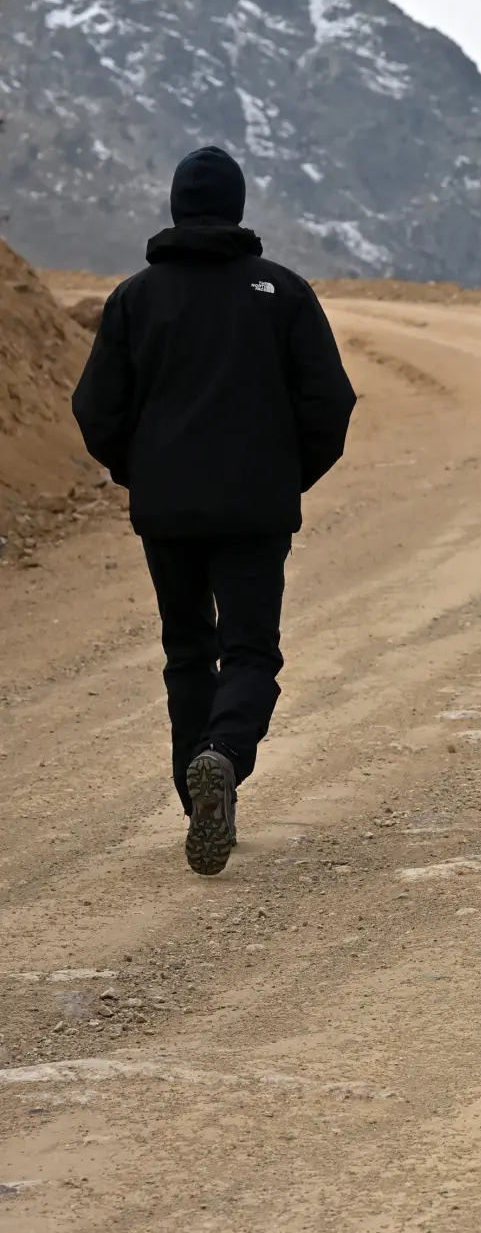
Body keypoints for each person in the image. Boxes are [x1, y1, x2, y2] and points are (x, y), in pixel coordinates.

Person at [72, 146, 355, 876]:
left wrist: (138, 473)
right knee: (251, 650)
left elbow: (96, 408)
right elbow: (330, 402)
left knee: (187, 650)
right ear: (236, 207)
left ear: (174, 206)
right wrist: (288, 477)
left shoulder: (135, 298)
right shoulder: (282, 290)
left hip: (166, 511)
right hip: (256, 510)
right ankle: (221, 756)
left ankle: (195, 793)